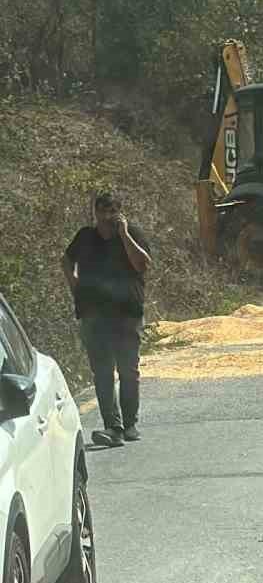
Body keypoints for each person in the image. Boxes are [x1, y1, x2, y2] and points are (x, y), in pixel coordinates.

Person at [62, 192, 152, 448]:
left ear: (120, 212)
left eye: (112, 210)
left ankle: (130, 423)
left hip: (127, 313)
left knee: (128, 371)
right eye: (102, 211)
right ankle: (113, 427)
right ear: (95, 213)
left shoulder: (132, 233)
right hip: (93, 313)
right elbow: (66, 260)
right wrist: (75, 286)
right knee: (102, 372)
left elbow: (142, 265)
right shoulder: (85, 236)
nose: (107, 216)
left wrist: (124, 235)